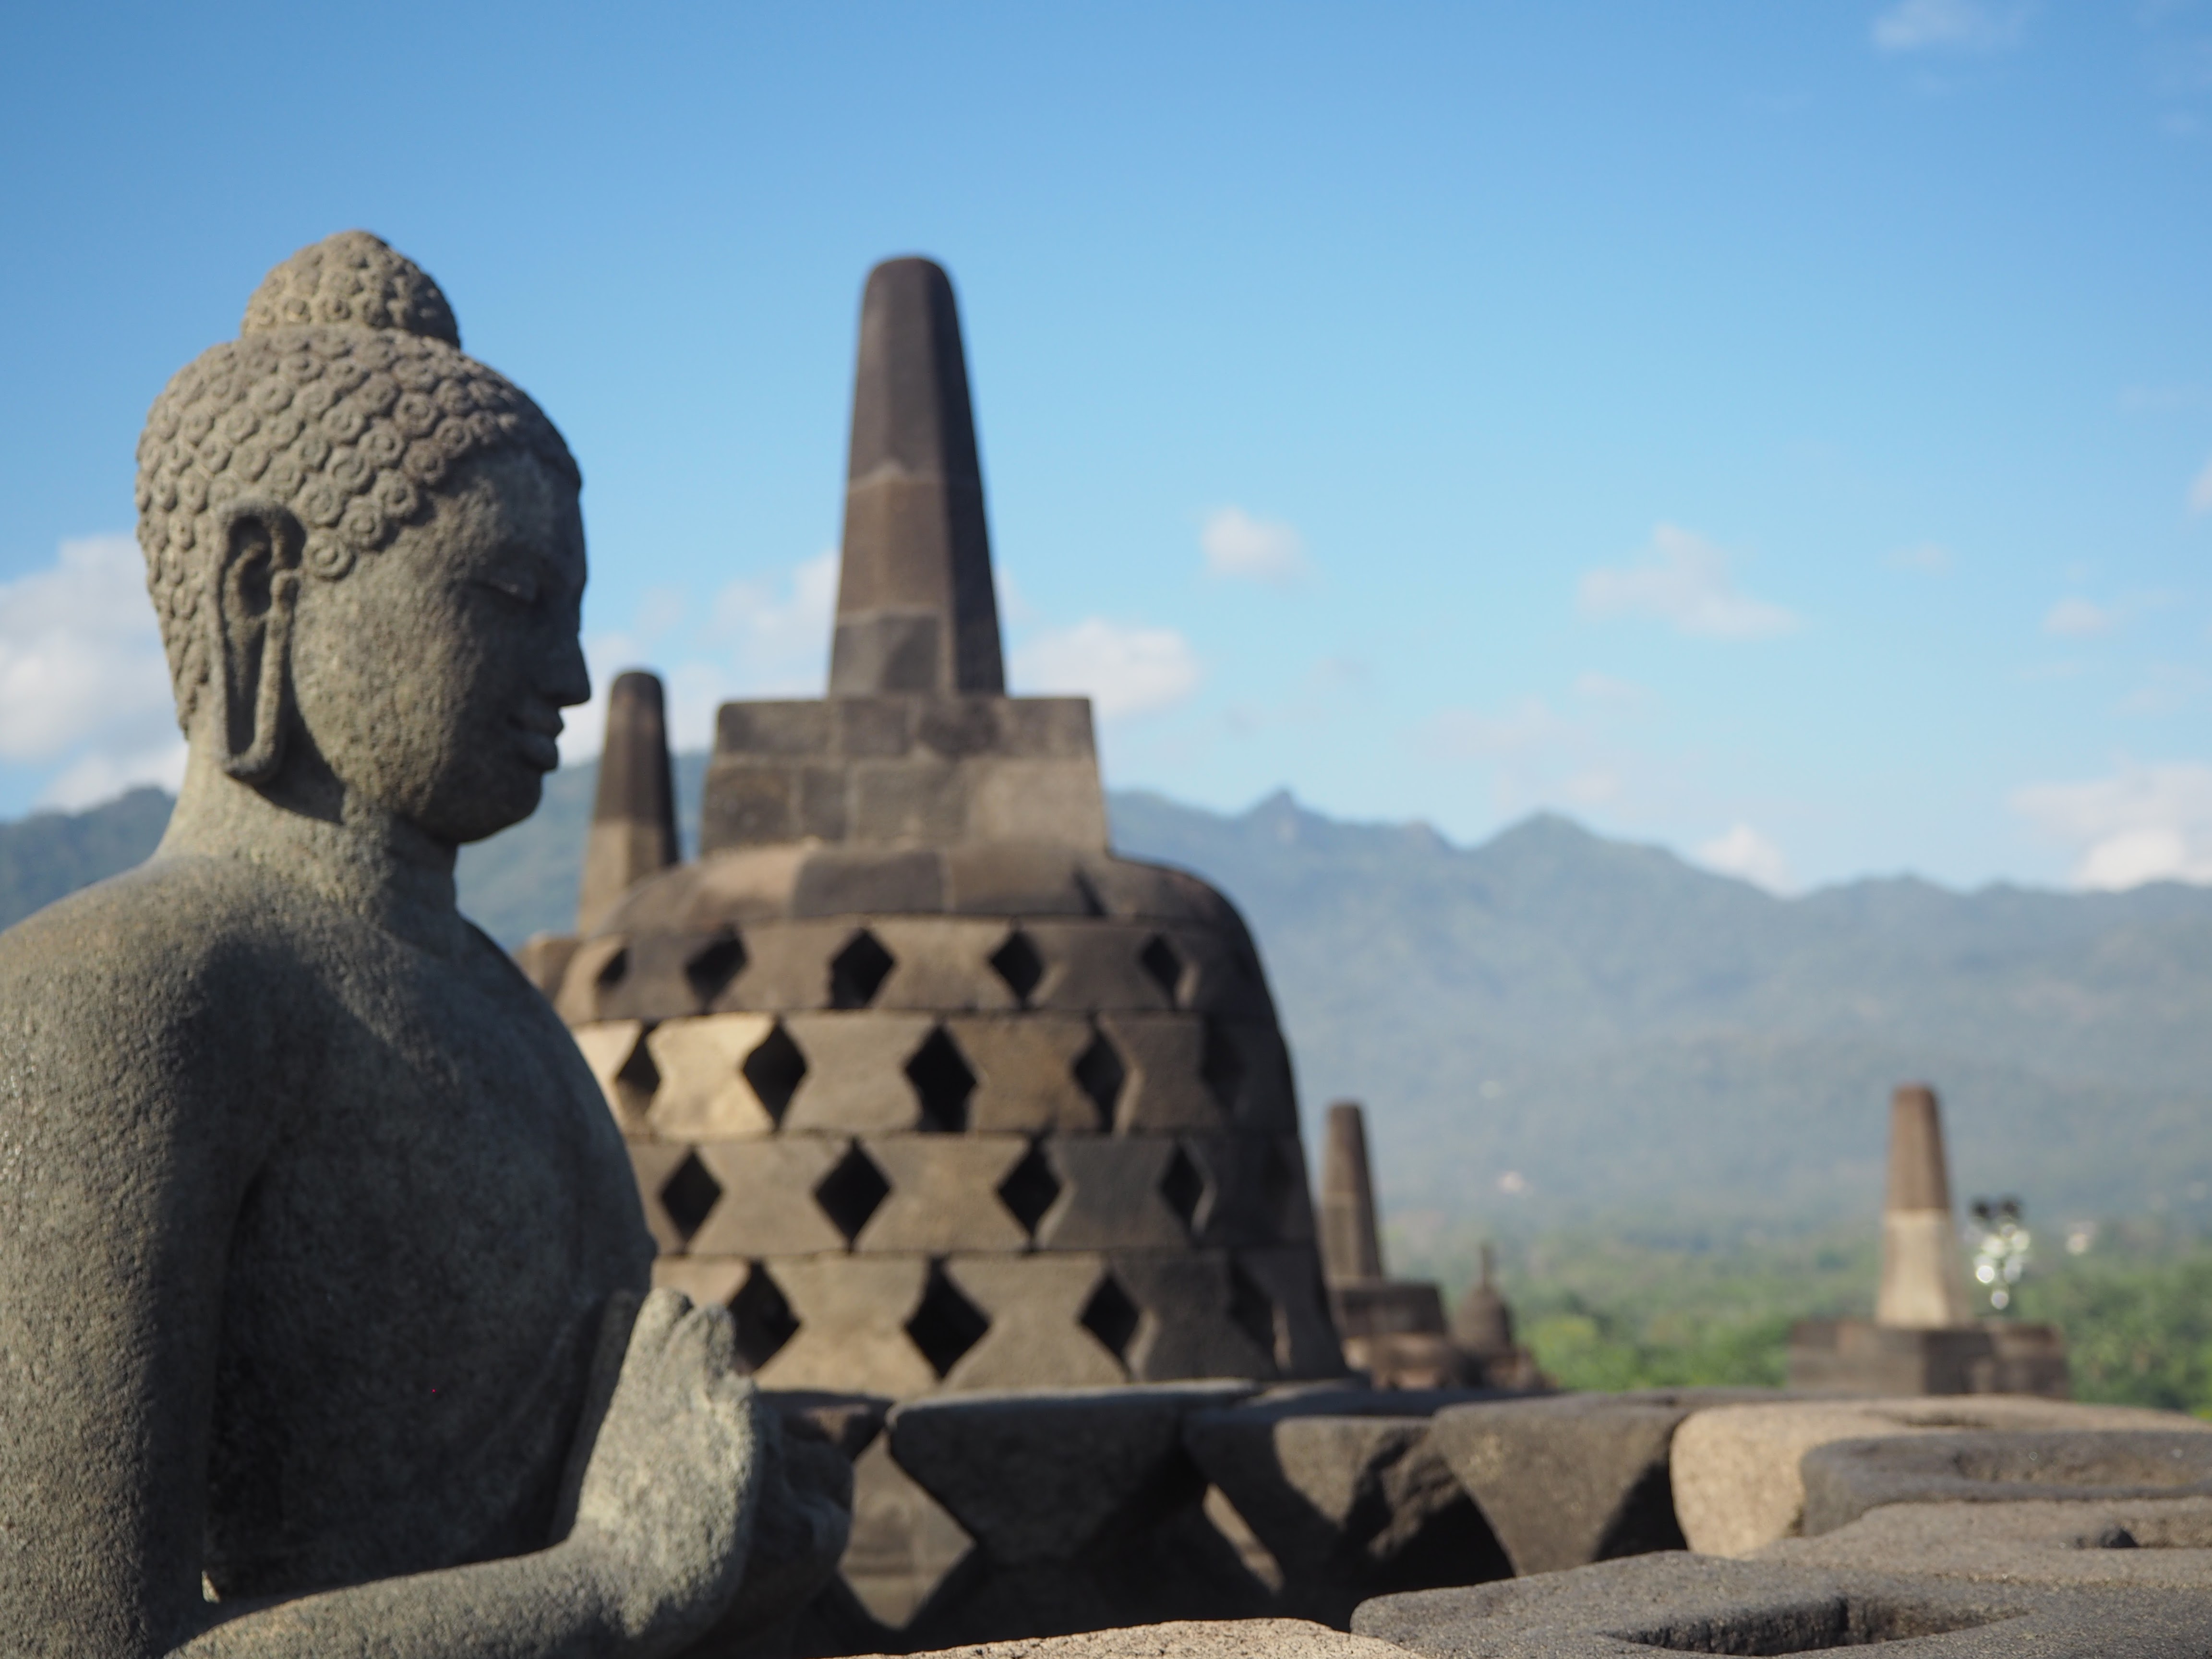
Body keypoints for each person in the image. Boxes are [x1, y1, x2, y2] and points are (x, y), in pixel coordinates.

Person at [0, 232, 845, 1656]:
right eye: (511, 596)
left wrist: (739, 1515)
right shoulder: (127, 1000)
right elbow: (65, 1642)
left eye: (572, 613)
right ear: (266, 585)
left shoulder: (509, 1018)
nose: (570, 675)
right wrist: (615, 1582)